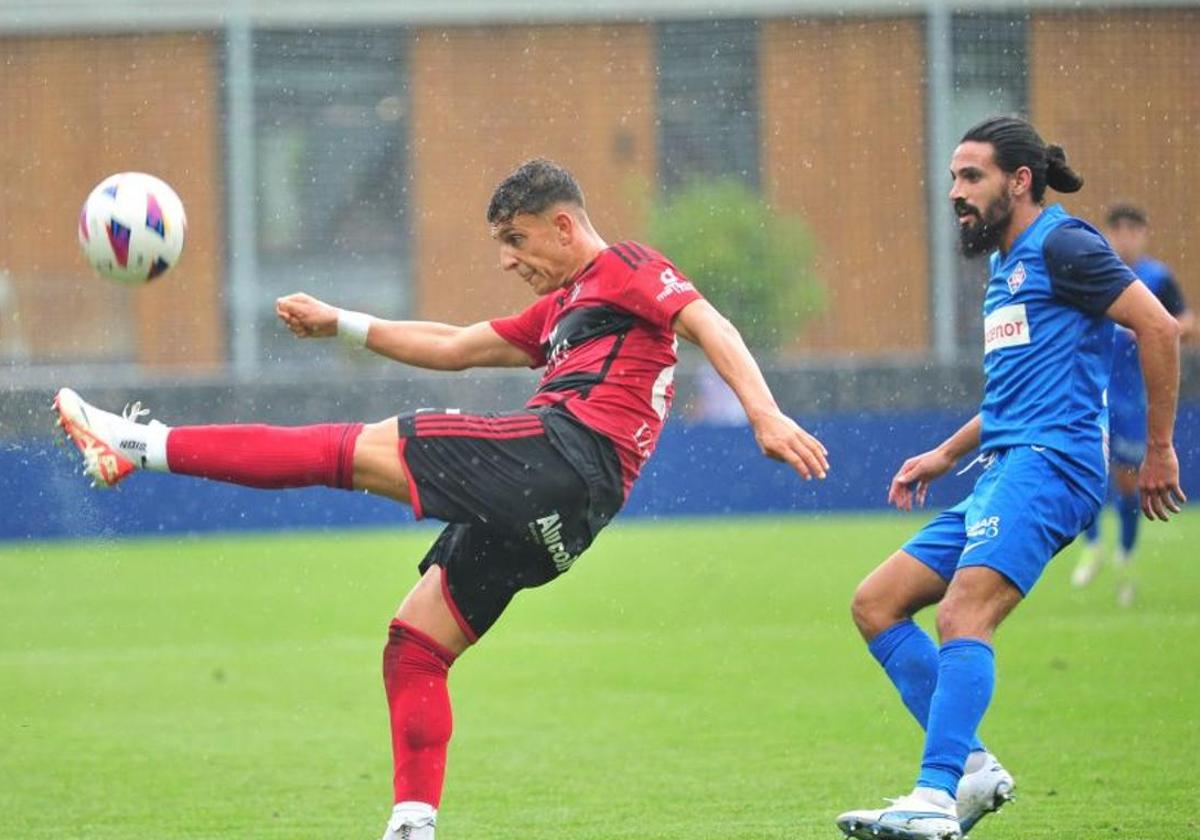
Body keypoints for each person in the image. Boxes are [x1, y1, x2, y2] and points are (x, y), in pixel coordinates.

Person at [52, 158, 829, 840]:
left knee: (339, 450)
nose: (506, 260)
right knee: (415, 646)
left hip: (557, 457)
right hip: (570, 519)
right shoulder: (563, 309)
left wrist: (764, 412)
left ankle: (135, 445)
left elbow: (707, 321)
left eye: (516, 241)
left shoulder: (623, 266)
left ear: (563, 226)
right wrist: (342, 324)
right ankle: (412, 824)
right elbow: (456, 346)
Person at [835, 117, 1185, 840]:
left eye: (971, 178)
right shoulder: (1005, 267)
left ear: (1019, 181)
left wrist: (1159, 449)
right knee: (877, 603)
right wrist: (944, 453)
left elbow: (1158, 327)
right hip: (1004, 463)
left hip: (1052, 465)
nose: (955, 194)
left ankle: (933, 798)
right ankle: (969, 772)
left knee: (965, 614)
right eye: (954, 179)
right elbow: (1010, 397)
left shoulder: (1064, 244)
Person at [1071, 204, 1193, 605]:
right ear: (1108, 233)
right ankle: (1092, 545)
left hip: (1131, 396)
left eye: (1132, 229)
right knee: (1083, 468)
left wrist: (1146, 328)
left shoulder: (1156, 278)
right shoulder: (1094, 271)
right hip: (1090, 387)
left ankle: (1125, 555)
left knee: (1127, 480)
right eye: (1117, 229)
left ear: (1143, 234)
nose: (1125, 237)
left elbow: (1185, 322)